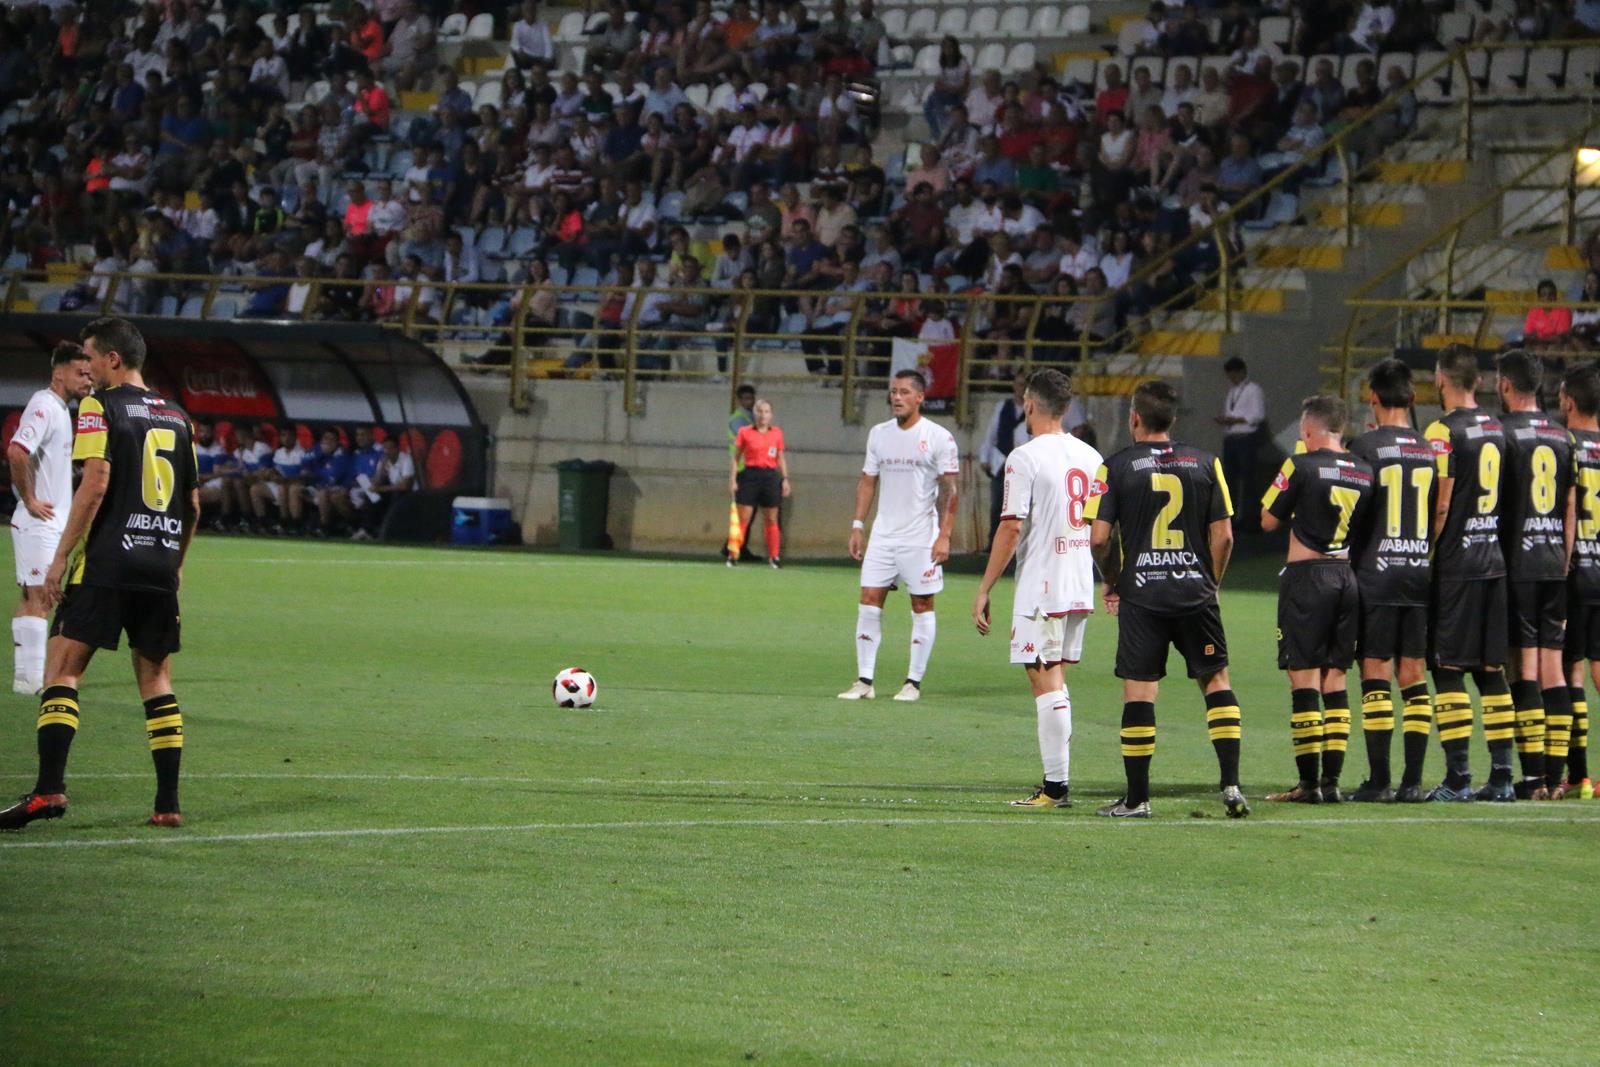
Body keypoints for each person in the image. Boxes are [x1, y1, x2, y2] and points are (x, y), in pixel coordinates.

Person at [0, 318, 199, 831]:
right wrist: (174, 565)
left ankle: (48, 792)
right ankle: (168, 804)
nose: (85, 366)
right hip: (159, 563)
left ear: (114, 358)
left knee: (62, 669)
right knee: (156, 679)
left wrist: (62, 558)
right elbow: (193, 505)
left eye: (90, 355)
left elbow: (95, 483)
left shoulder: (100, 406)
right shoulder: (179, 417)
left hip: (109, 561)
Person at [1087, 380, 1248, 819]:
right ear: (1172, 419)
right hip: (1195, 591)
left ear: (1134, 417)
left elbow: (1099, 538)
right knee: (1216, 682)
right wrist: (1210, 581)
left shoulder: (1114, 467)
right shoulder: (1206, 462)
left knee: (1140, 692)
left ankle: (1137, 799)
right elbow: (1225, 536)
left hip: (1143, 593)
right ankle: (1231, 785)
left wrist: (1113, 579)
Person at [971, 369, 1101, 808]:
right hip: (1080, 579)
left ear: (1029, 405)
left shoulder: (1024, 457)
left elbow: (1010, 528)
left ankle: (1056, 788)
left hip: (1044, 586)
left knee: (1044, 681)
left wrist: (985, 586)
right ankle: (1056, 783)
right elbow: (1103, 526)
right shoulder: (1091, 455)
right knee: (1055, 678)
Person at [1259, 396, 1375, 804]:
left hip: (1307, 577)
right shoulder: (1364, 470)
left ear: (1308, 429)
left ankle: (1308, 785)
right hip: (1346, 576)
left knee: (1303, 677)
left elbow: (1268, 519)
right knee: (1336, 678)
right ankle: (1332, 783)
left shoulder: (1301, 464)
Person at [1421, 345, 1514, 802]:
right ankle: (1502, 777)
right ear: (1478, 381)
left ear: (1441, 380)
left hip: (1456, 564)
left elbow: (1441, 501)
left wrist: (1428, 553)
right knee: (1491, 670)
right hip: (1493, 561)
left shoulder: (1442, 430)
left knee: (1449, 668)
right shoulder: (1498, 426)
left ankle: (1458, 776)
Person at [1345, 360, 1439, 803]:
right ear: (1414, 398)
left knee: (1376, 670)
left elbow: (1354, 512)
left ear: (1373, 398)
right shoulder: (1427, 448)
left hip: (1376, 571)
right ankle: (1413, 782)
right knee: (1414, 673)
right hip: (1420, 570)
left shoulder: (1364, 445)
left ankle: (1379, 780)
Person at [840, 370, 960, 703]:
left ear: (920, 397)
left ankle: (913, 683)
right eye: (893, 391)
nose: (896, 397)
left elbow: (952, 490)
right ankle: (864, 681)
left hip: (921, 537)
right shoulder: (878, 434)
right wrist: (857, 525)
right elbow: (868, 481)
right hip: (883, 535)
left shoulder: (938, 437)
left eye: (904, 392)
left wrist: (944, 536)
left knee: (922, 604)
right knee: (868, 601)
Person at [1494, 349, 1575, 800]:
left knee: (1522, 667)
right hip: (1553, 563)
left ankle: (1531, 779)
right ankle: (1556, 776)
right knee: (1554, 670)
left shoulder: (1503, 434)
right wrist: (1562, 562)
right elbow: (1568, 506)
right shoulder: (1564, 437)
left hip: (1517, 562)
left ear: (1506, 385)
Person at [8, 342, 93, 694]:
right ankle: (30, 683)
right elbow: (16, 450)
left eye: (89, 373)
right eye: (80, 373)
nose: (87, 380)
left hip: (53, 524)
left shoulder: (60, 409)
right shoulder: (43, 404)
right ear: (59, 373)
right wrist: (29, 499)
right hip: (38, 523)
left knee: (40, 597)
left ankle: (30, 679)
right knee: (39, 597)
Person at [1559, 362, 1599, 800]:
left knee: (1571, 671)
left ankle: (1579, 775)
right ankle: (1586, 777)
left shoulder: (1565, 444)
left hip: (1576, 571)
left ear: (1569, 402)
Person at [728, 399, 789, 569]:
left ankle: (774, 556)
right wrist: (732, 480)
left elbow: (780, 457)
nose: (763, 415)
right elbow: (736, 458)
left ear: (771, 415)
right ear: (755, 413)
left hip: (770, 477)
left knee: (771, 518)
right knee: (743, 518)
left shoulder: (776, 433)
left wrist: (785, 479)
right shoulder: (745, 432)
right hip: (750, 475)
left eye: (766, 412)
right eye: (760, 411)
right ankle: (733, 554)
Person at [978, 372, 1029, 546]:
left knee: (1021, 509)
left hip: (1024, 467)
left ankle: (1019, 545)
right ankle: (993, 544)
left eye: (1023, 384)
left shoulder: (1033, 409)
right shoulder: (1002, 407)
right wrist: (985, 457)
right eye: (1018, 384)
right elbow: (990, 434)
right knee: (997, 505)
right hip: (1001, 464)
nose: (1020, 388)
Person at [1216, 357, 1265, 520]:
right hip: (1231, 437)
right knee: (1230, 479)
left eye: (1234, 375)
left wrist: (1234, 420)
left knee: (1248, 478)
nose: (1231, 379)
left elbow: (1258, 415)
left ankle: (1250, 517)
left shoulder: (1253, 390)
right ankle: (1232, 514)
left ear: (1242, 372)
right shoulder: (1232, 391)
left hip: (1246, 438)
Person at [724, 383, 759, 562]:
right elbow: (748, 439)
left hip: (751, 469)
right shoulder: (738, 419)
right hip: (742, 469)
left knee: (748, 513)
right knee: (744, 512)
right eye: (745, 398)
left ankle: (737, 545)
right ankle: (733, 546)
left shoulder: (751, 417)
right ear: (739, 400)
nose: (749, 402)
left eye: (751, 398)